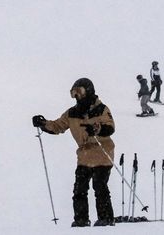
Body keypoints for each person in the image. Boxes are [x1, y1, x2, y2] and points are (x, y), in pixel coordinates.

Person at [32, 78, 116, 227]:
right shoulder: (72, 113)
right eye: (74, 93)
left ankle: (106, 219)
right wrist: (43, 124)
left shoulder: (101, 109)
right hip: (84, 156)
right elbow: (58, 126)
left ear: (89, 91)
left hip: (102, 153)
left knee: (99, 186)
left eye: (80, 92)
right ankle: (81, 220)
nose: (77, 96)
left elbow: (110, 127)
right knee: (79, 189)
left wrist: (97, 129)